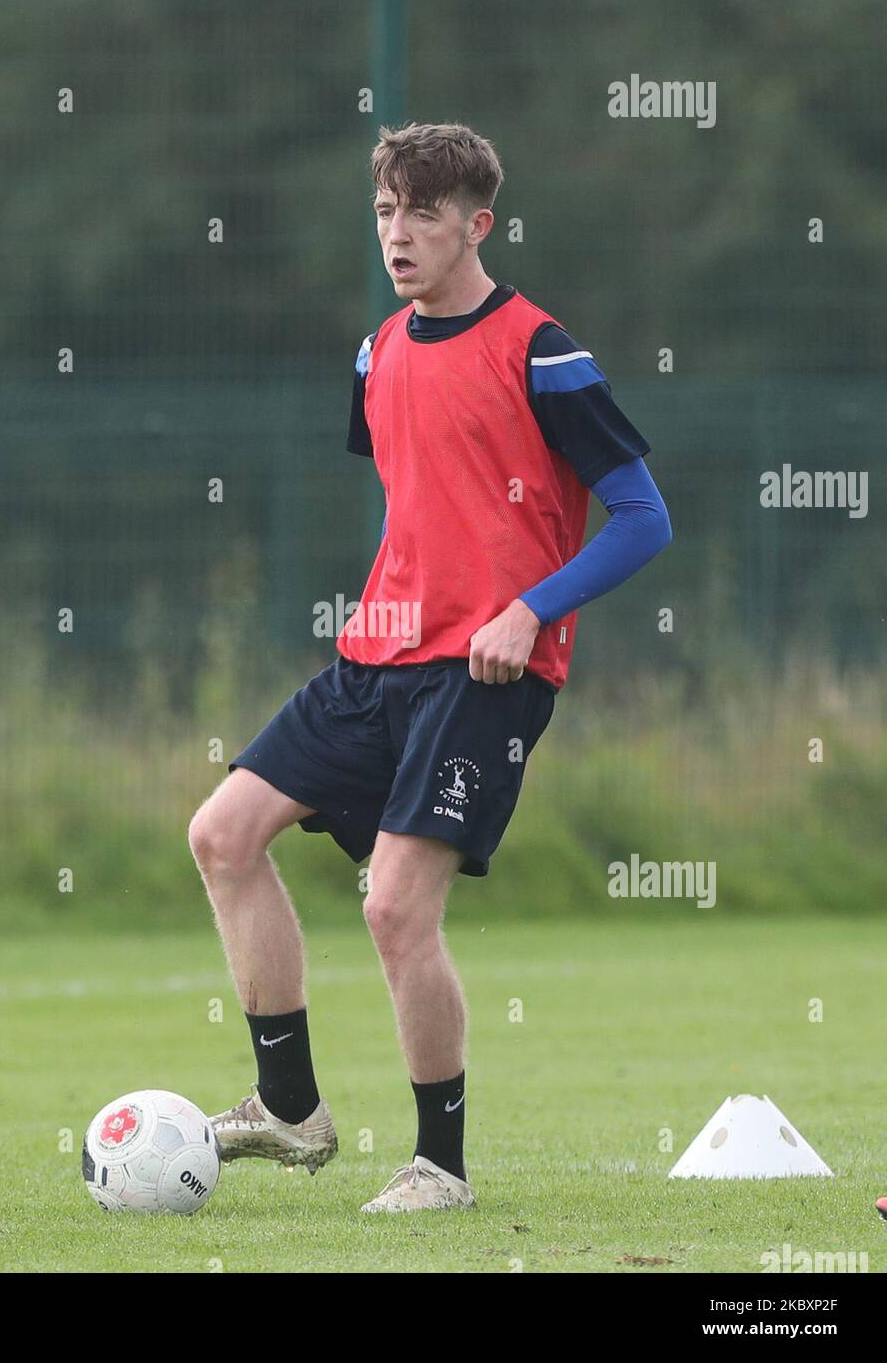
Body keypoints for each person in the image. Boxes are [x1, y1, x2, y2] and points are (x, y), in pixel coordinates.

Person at [189, 121, 672, 1213]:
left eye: (420, 213)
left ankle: (437, 1169)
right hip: (377, 656)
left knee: (394, 909)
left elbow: (643, 519)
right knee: (220, 834)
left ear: (474, 224)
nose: (395, 235)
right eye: (382, 212)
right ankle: (288, 1107)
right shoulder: (375, 354)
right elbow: (422, 501)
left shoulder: (540, 351)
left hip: (484, 674)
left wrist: (529, 608)